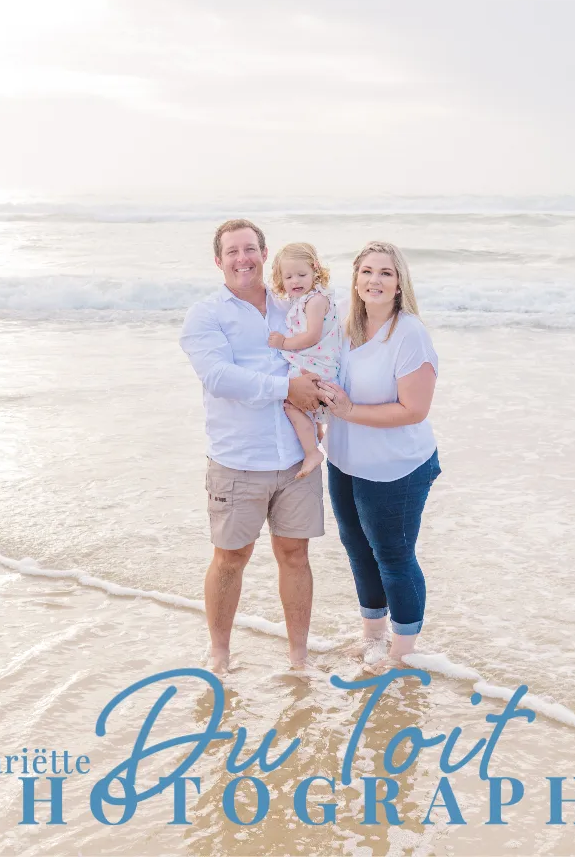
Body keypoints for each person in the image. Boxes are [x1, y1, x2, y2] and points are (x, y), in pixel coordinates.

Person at [180, 219, 325, 674]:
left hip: (297, 458)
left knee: (295, 555)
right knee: (230, 559)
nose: (242, 258)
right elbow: (219, 378)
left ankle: (298, 658)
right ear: (218, 260)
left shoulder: (292, 306)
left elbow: (324, 347)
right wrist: (287, 388)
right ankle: (220, 654)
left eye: (250, 249)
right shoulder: (205, 315)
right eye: (232, 251)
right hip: (237, 458)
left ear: (264, 254)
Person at [319, 241, 441, 668]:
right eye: (367, 271)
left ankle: (403, 654)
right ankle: (372, 638)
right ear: (355, 279)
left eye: (385, 273)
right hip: (344, 460)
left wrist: (349, 410)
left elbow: (415, 409)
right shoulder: (343, 326)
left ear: (399, 283)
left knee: (393, 556)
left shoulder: (409, 334)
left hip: (396, 467)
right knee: (356, 548)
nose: (375, 280)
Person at [266, 242, 342, 480]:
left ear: (315, 270)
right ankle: (316, 431)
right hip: (315, 361)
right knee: (301, 405)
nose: (295, 281)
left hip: (320, 364)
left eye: (302, 274)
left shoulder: (316, 300)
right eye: (288, 276)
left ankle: (312, 452)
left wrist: (283, 343)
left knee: (291, 404)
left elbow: (312, 336)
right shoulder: (302, 300)